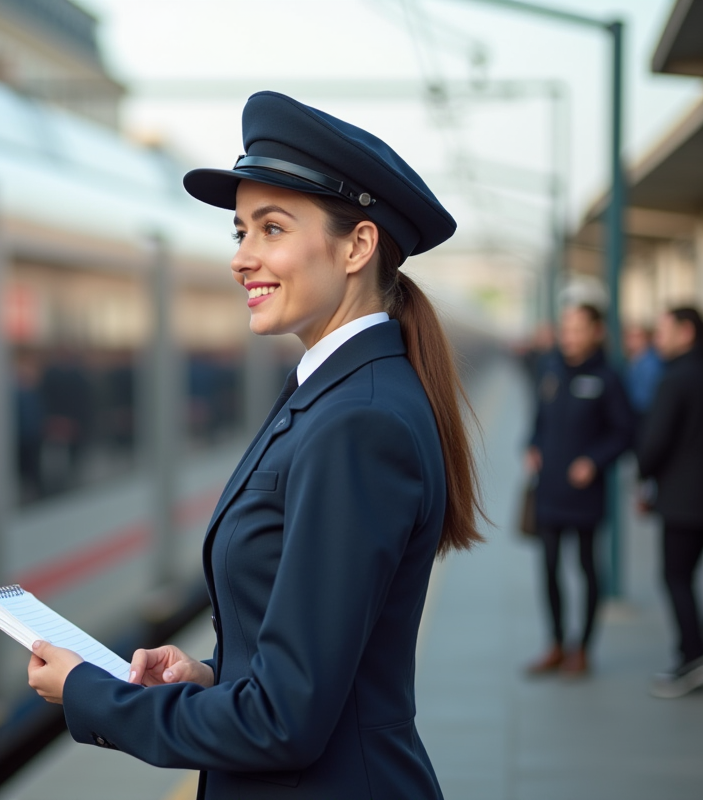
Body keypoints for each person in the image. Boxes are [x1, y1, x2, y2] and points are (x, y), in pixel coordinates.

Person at [26, 91, 485, 799]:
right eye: (239, 232)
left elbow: (283, 722)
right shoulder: (337, 394)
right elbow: (313, 669)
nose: (243, 258)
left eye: (270, 229)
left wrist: (91, 695)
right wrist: (213, 675)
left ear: (358, 245)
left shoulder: (356, 423)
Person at [524, 304, 634, 677]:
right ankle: (555, 643)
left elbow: (623, 432)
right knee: (549, 567)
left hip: (585, 492)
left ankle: (583, 649)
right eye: (565, 328)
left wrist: (593, 460)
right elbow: (539, 420)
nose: (568, 335)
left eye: (577, 329)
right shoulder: (550, 369)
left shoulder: (608, 378)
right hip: (550, 488)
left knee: (587, 568)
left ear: (596, 331)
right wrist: (533, 445)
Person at [636, 307, 703, 698]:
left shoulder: (675, 379)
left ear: (686, 332)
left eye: (663, 331)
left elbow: (655, 443)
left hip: (683, 501)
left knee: (676, 577)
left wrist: (643, 477)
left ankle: (691, 660)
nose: (656, 338)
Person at [623, 323, 663, 417]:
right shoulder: (634, 360)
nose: (631, 340)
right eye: (629, 336)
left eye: (636, 336)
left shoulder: (651, 364)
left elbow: (647, 399)